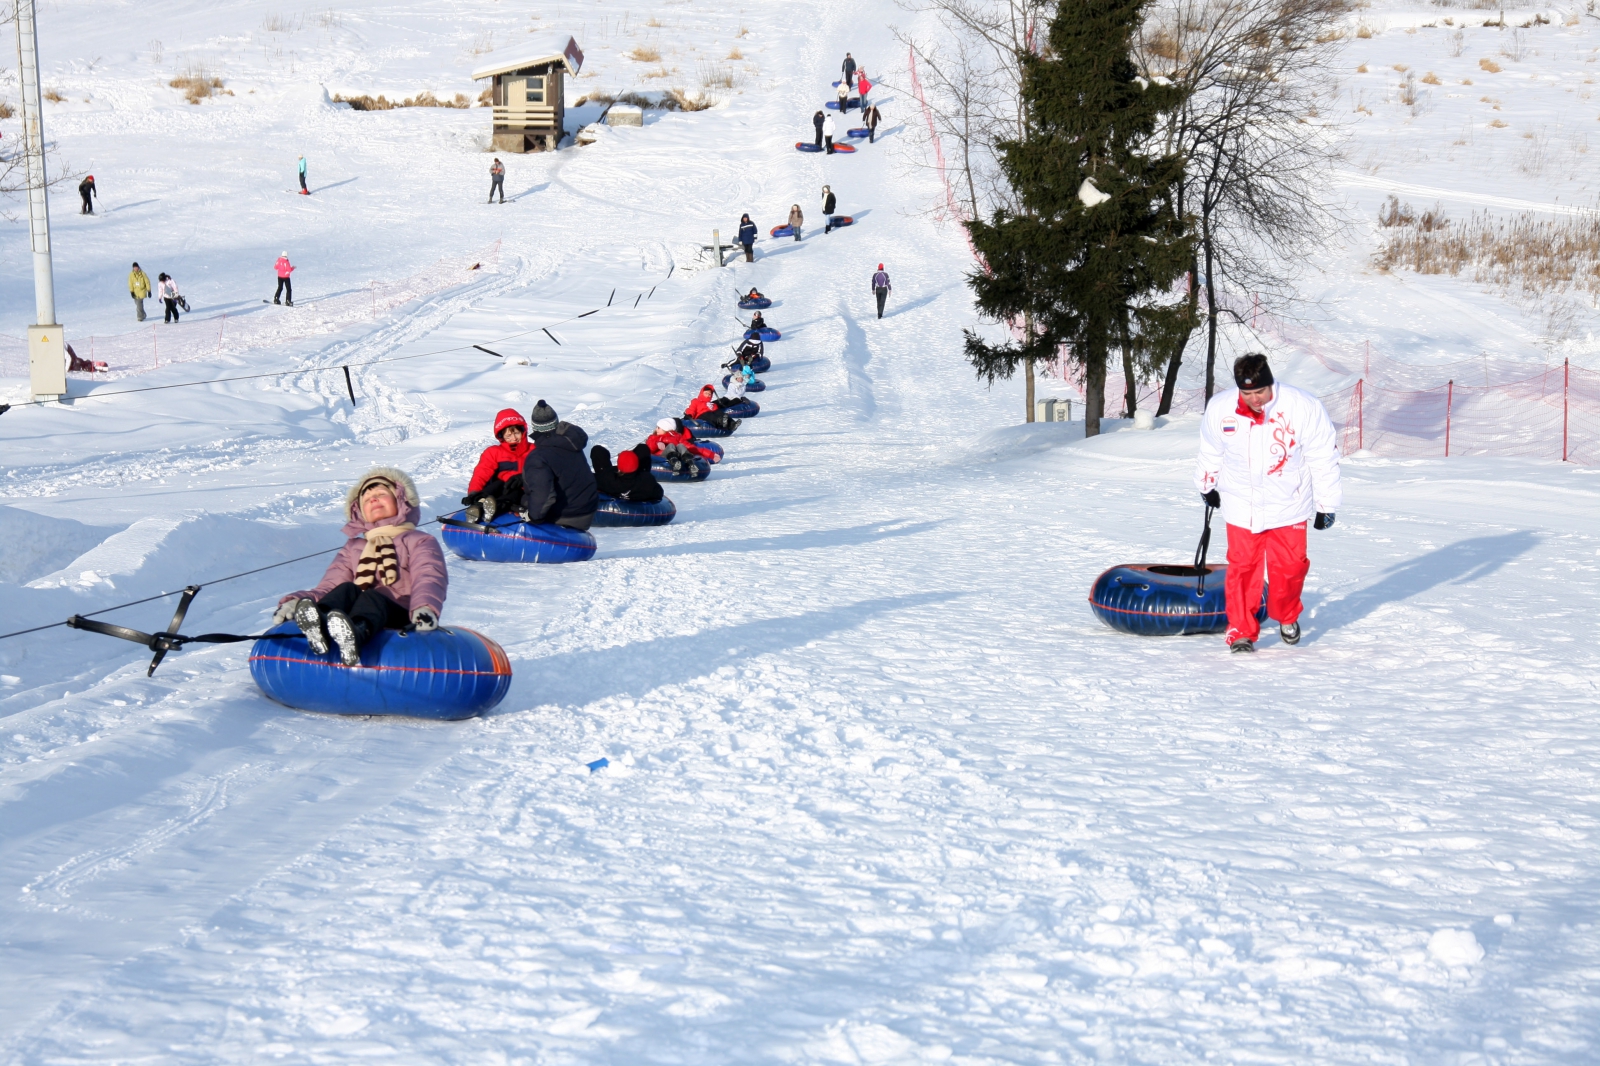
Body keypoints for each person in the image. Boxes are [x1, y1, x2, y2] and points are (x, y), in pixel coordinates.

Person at [1195, 353, 1342, 654]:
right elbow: (1210, 449)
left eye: (1259, 391)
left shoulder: (1303, 407)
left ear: (1270, 383)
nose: (1254, 399)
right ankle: (1241, 631)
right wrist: (1206, 484)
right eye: (1247, 393)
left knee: (1289, 569)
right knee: (1243, 569)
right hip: (1241, 503)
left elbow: (1323, 458)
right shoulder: (1221, 408)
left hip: (1289, 503)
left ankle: (1286, 615)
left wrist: (1326, 503)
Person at [272, 468, 447, 667]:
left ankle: (355, 633)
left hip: (401, 614)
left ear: (402, 501)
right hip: (347, 618)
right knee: (348, 589)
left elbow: (429, 577)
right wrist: (297, 602)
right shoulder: (353, 547)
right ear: (359, 511)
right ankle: (317, 623)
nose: (373, 499)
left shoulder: (419, 541)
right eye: (366, 498)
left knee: (372, 596)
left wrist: (424, 607)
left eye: (382, 494)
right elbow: (330, 586)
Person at [519, 400, 599, 530]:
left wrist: (532, 517)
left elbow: (544, 496)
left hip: (567, 515)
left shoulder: (538, 457)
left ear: (536, 428)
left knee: (523, 502)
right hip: (588, 510)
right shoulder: (571, 444)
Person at [461, 408, 531, 523]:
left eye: (516, 433)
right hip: (501, 488)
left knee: (515, 492)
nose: (513, 438)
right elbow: (482, 472)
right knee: (497, 484)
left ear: (523, 431)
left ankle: (496, 507)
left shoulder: (534, 451)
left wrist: (524, 478)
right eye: (508, 436)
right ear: (502, 437)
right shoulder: (494, 452)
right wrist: (473, 492)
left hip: (522, 489)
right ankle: (478, 506)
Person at [591, 444, 665, 503]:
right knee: (642, 448)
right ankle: (629, 460)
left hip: (612, 484)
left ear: (619, 467)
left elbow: (588, 481)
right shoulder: (647, 480)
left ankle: (626, 460)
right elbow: (658, 493)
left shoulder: (606, 479)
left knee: (598, 450)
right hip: (638, 483)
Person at [647, 417, 719, 474]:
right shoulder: (653, 437)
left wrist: (711, 454)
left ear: (666, 428)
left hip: (678, 456)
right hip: (661, 457)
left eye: (659, 428)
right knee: (671, 445)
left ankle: (690, 463)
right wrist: (657, 444)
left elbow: (691, 448)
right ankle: (674, 461)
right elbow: (649, 448)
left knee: (681, 446)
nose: (656, 430)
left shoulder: (677, 437)